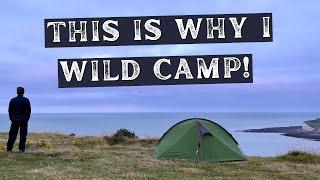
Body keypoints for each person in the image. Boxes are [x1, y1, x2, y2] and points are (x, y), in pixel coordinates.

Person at [7, 86, 31, 152]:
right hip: (23, 120)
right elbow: (29, 111)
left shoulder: (13, 100)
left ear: (17, 92)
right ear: (23, 92)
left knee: (12, 135)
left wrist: (11, 119)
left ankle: (9, 149)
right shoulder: (26, 100)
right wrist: (26, 119)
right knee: (23, 135)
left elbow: (10, 111)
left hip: (14, 120)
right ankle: (21, 149)